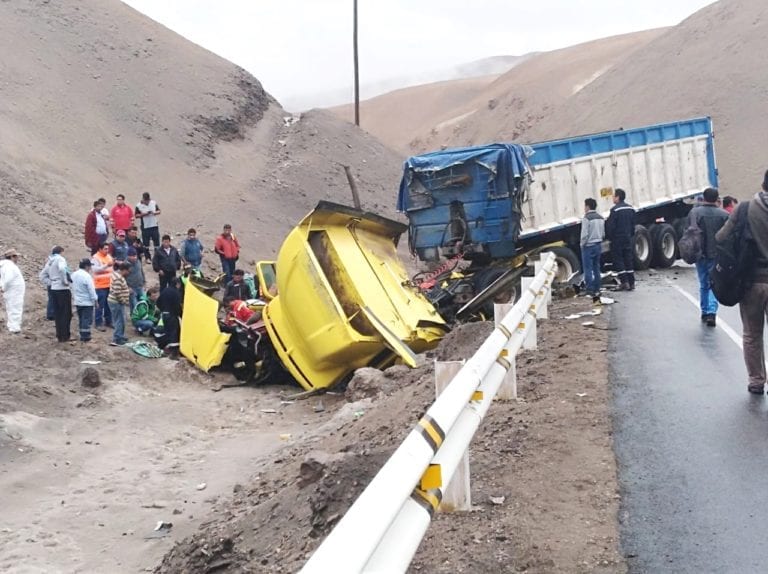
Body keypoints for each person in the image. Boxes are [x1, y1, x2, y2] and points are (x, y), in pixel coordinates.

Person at [716, 171, 768, 394]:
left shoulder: (745, 208)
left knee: (752, 333)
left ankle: (756, 380)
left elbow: (721, 237)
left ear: (763, 184)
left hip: (751, 281)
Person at [690, 187, 729, 327]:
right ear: (717, 198)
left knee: (703, 283)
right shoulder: (724, 215)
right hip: (717, 254)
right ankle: (712, 311)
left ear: (704, 198)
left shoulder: (695, 213)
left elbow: (689, 232)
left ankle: (705, 310)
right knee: (714, 283)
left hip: (700, 253)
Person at [605, 188, 636, 291]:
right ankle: (632, 283)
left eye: (613, 196)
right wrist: (630, 235)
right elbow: (633, 225)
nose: (613, 198)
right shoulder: (630, 209)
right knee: (628, 259)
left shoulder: (615, 210)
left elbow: (610, 226)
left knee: (618, 260)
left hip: (617, 239)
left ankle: (624, 282)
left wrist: (609, 237)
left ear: (618, 197)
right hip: (627, 238)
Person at [42, 246, 72, 342]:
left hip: (54, 288)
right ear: (61, 252)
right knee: (66, 313)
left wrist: (51, 282)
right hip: (62, 289)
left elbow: (42, 275)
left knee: (58, 313)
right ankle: (65, 336)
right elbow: (63, 269)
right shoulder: (60, 259)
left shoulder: (50, 261)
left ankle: (59, 335)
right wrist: (64, 281)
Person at [580, 198, 605, 303]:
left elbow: (584, 234)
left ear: (588, 206)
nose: (584, 208)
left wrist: (582, 244)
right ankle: (597, 288)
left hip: (588, 246)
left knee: (587, 268)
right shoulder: (601, 218)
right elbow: (603, 234)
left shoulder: (586, 218)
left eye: (585, 206)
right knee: (596, 267)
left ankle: (589, 289)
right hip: (598, 245)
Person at [155, 277, 183, 359]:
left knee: (167, 331)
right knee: (173, 333)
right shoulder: (176, 293)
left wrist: (163, 310)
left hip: (164, 314)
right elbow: (177, 306)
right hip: (172, 315)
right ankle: (173, 354)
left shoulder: (165, 290)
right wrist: (180, 314)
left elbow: (158, 302)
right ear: (177, 284)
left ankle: (164, 348)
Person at [71, 258, 98, 343]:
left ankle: (82, 333)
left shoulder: (74, 274)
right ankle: (85, 336)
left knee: (81, 318)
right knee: (86, 319)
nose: (90, 268)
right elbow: (91, 290)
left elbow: (71, 286)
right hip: (87, 302)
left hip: (78, 301)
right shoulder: (87, 276)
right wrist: (95, 300)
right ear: (86, 266)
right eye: (90, 266)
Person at [0, 249, 25, 334]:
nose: (17, 258)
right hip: (14, 292)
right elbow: (7, 279)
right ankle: (14, 328)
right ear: (11, 257)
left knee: (12, 308)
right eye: (16, 256)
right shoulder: (9, 266)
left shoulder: (6, 266)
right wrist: (4, 287)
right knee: (15, 308)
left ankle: (12, 326)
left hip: (12, 291)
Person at [107, 261, 132, 346]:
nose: (129, 273)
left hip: (114, 301)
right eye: (128, 271)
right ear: (124, 270)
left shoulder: (116, 274)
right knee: (119, 320)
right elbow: (117, 292)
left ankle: (120, 335)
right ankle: (117, 338)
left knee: (120, 319)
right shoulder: (118, 278)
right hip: (116, 302)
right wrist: (124, 301)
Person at [91, 243, 114, 330]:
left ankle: (109, 321)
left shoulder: (109, 256)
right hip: (100, 286)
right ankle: (98, 323)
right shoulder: (95, 258)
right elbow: (95, 269)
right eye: (105, 249)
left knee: (109, 304)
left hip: (109, 284)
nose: (107, 250)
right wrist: (106, 265)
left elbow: (112, 269)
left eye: (107, 249)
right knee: (100, 305)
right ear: (100, 249)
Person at [39, 248, 57, 321]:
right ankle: (51, 314)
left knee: (52, 299)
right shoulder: (51, 263)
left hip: (53, 283)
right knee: (52, 299)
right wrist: (51, 282)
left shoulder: (50, 261)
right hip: (53, 284)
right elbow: (42, 275)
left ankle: (52, 314)